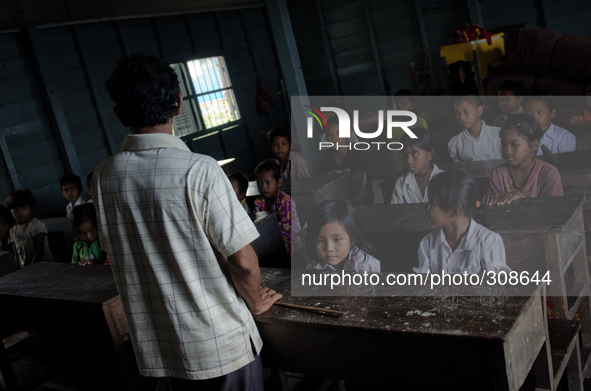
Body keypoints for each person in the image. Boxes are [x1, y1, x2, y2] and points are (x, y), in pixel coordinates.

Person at [93, 53, 281, 390]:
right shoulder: (200, 170)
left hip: (160, 352)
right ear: (179, 103)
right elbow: (243, 261)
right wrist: (255, 300)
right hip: (219, 346)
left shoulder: (104, 177)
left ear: (119, 114)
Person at [414, 169, 509, 274]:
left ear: (455, 211)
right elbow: (424, 285)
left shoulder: (488, 241)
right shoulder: (427, 243)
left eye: (432, 203)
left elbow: (493, 286)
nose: (426, 208)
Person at [484, 114, 564, 206]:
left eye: (514, 145)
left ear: (533, 146)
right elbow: (495, 211)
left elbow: (553, 210)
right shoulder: (498, 174)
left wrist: (525, 200)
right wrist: (491, 201)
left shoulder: (549, 173)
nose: (507, 151)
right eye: (504, 145)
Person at [304, 200, 380, 273]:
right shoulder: (314, 266)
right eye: (320, 240)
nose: (329, 248)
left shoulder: (366, 267)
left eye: (337, 239)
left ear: (352, 238)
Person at [320, 116, 373, 204]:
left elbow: (355, 190)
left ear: (349, 134)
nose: (334, 138)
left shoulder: (357, 154)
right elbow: (330, 184)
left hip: (362, 202)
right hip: (339, 202)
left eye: (339, 133)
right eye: (330, 134)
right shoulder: (327, 156)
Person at [254, 159, 302, 255]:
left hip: (290, 245)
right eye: (259, 183)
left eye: (268, 182)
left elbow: (286, 231)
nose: (263, 187)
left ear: (279, 182)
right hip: (271, 242)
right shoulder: (258, 202)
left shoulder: (286, 202)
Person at [391, 128, 444, 204]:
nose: (408, 161)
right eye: (405, 155)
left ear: (430, 154)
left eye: (414, 154)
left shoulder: (444, 180)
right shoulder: (401, 183)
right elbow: (396, 212)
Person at [448, 95, 502, 162]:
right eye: (457, 114)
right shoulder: (457, 142)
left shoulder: (498, 134)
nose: (461, 117)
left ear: (479, 110)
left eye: (466, 112)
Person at [7, 189, 50, 268]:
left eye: (24, 208)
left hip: (43, 266)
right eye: (16, 209)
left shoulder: (35, 225)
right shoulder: (12, 231)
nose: (20, 212)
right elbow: (16, 254)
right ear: (11, 211)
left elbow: (39, 251)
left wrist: (31, 269)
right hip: (25, 269)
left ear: (31, 209)